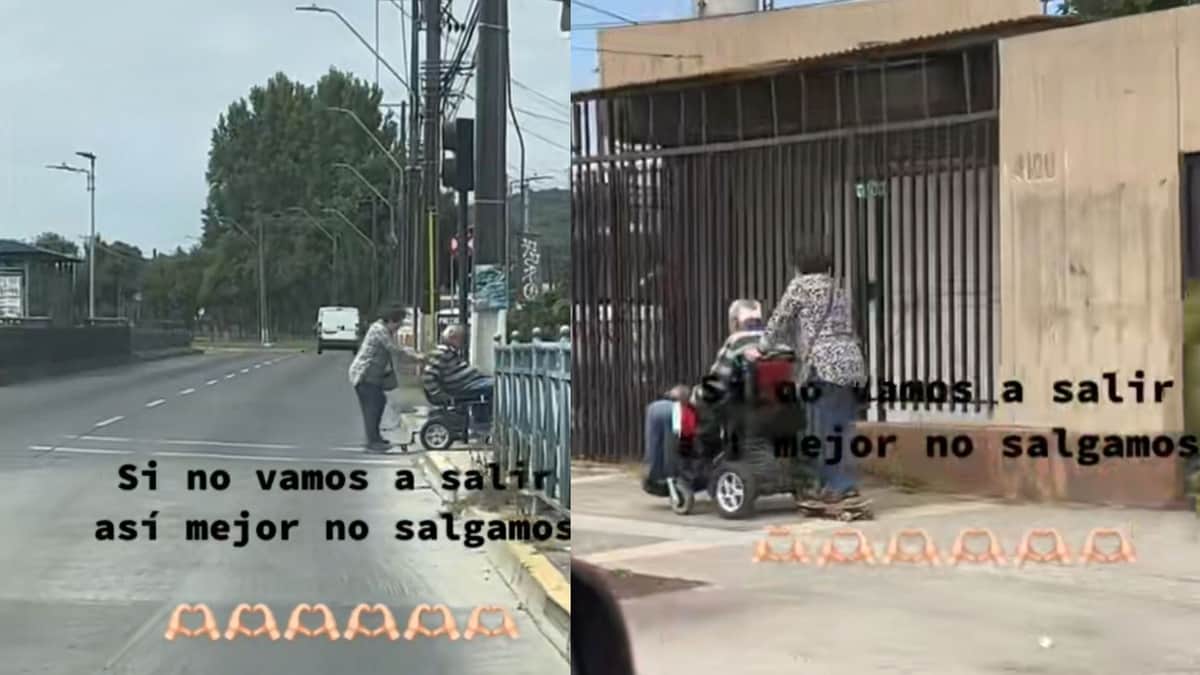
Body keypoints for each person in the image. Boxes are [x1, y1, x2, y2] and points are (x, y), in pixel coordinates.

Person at [763, 249, 868, 507]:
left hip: (825, 364)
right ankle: (843, 484)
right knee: (843, 427)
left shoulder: (801, 285)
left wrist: (764, 345)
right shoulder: (838, 289)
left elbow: (780, 319)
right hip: (852, 363)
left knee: (824, 427)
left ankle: (836, 486)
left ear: (799, 266)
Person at [641, 299, 765, 497]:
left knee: (657, 411)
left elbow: (713, 389)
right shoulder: (772, 342)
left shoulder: (737, 342)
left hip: (720, 415)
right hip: (758, 412)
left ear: (734, 322)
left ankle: (656, 477)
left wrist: (686, 396)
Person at [349, 304, 423, 452]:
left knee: (379, 402)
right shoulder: (379, 330)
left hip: (373, 376)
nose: (399, 327)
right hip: (364, 375)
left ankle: (375, 439)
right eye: (398, 323)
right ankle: (373, 443)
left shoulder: (384, 330)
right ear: (390, 320)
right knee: (372, 408)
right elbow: (394, 349)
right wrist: (417, 357)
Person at [422, 324, 494, 424]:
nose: (463, 342)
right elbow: (428, 376)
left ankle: (481, 420)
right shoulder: (442, 352)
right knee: (495, 385)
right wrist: (438, 393)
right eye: (461, 338)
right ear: (452, 337)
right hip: (458, 387)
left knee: (490, 385)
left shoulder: (450, 352)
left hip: (466, 383)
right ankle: (482, 421)